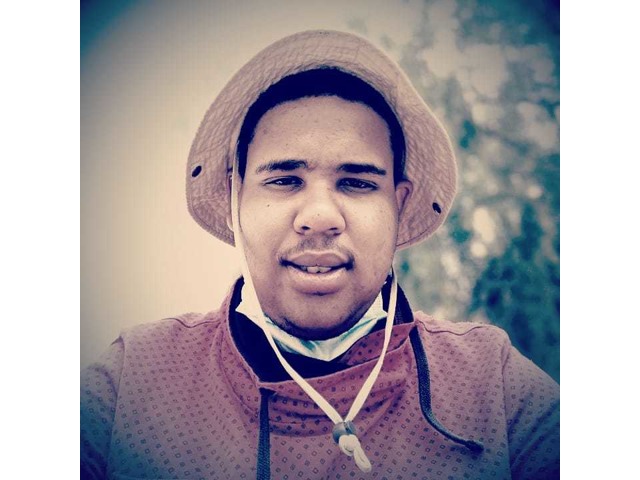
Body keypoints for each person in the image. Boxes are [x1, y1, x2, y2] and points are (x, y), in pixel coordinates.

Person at [81, 30, 559, 479]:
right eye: (284, 180)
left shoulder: (490, 382)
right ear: (234, 200)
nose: (319, 216)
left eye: (357, 183)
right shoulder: (134, 381)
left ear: (398, 207)